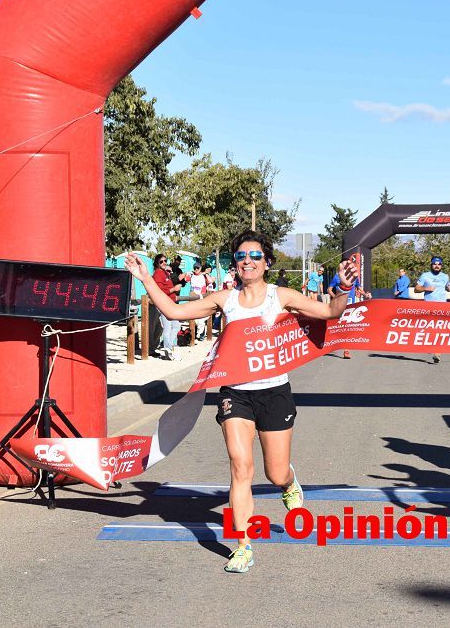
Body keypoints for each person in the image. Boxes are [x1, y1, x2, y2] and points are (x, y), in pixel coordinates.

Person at [124, 229, 358, 573]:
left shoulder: (282, 296)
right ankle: (243, 545)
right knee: (240, 467)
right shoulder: (225, 300)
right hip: (235, 393)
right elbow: (174, 312)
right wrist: (145, 278)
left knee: (274, 472)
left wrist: (343, 288)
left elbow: (329, 313)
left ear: (266, 263)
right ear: (235, 263)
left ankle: (289, 484)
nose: (247, 261)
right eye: (241, 257)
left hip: (274, 392)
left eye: (254, 256)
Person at [415, 256, 450, 362]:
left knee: (439, 330)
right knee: (430, 329)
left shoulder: (445, 276)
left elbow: (448, 286)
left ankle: (437, 352)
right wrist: (426, 288)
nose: (437, 266)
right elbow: (416, 289)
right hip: (429, 306)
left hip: (442, 306)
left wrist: (449, 288)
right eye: (435, 264)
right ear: (431, 265)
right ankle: (431, 345)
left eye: (439, 264)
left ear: (441, 265)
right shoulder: (425, 275)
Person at [151, 253, 183, 360]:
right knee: (168, 327)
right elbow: (159, 290)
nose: (164, 263)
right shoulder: (158, 274)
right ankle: (168, 348)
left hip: (169, 303)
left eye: (165, 261)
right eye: (161, 261)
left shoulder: (164, 273)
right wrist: (174, 289)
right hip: (164, 304)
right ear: (157, 263)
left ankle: (168, 347)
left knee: (176, 326)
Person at [188, 264, 209, 341]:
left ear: (200, 268)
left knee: (201, 317)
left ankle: (201, 335)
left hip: (200, 298)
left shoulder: (203, 277)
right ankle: (194, 334)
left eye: (198, 268)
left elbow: (204, 288)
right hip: (193, 298)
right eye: (195, 268)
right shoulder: (192, 276)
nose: (196, 269)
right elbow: (186, 280)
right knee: (194, 317)